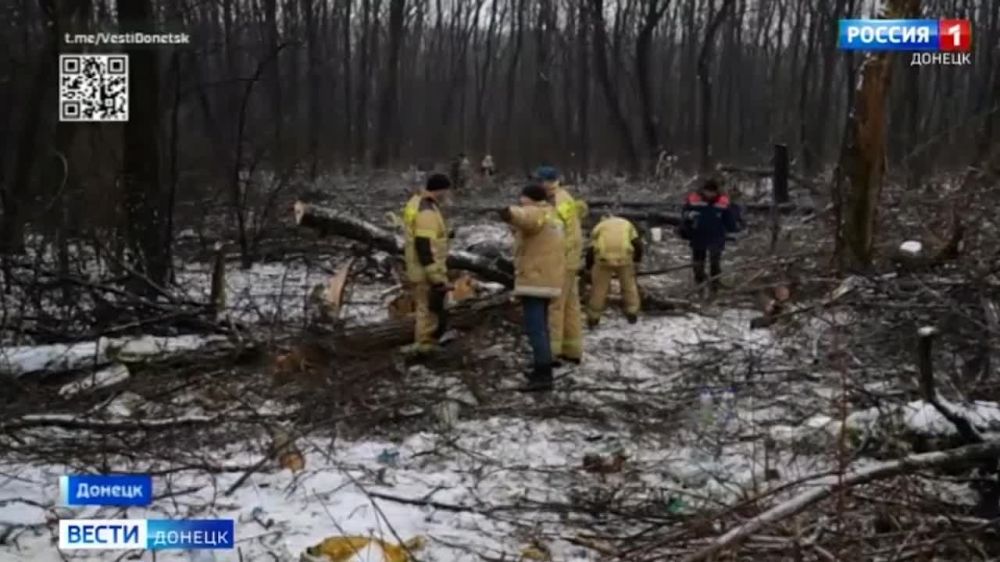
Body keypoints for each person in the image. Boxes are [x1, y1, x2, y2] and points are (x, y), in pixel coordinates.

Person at [498, 184, 565, 391]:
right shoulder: (551, 214)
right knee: (542, 327)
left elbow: (523, 216)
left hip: (536, 280)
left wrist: (507, 213)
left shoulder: (535, 213)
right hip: (548, 277)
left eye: (523, 199)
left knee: (535, 328)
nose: (520, 202)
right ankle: (541, 365)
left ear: (531, 199)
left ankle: (543, 375)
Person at [535, 165, 584, 365]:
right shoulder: (565, 196)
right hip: (572, 259)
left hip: (561, 260)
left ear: (548, 181)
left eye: (540, 181)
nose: (538, 184)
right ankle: (572, 350)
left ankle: (552, 352)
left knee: (555, 306)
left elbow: (554, 232)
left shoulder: (555, 201)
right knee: (570, 305)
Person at [401, 173, 453, 355]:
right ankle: (425, 345)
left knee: (425, 308)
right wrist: (435, 275)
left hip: (418, 267)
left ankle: (425, 343)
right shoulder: (427, 211)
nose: (448, 195)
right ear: (440, 190)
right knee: (430, 310)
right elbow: (424, 244)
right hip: (426, 269)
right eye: (447, 191)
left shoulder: (418, 202)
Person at [678, 178, 740, 295]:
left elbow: (729, 219)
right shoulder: (694, 200)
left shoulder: (722, 203)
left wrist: (733, 228)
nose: (710, 194)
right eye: (708, 191)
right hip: (698, 235)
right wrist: (688, 221)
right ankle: (699, 286)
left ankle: (714, 287)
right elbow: (684, 215)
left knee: (715, 262)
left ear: (716, 192)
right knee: (698, 264)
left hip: (716, 236)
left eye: (712, 192)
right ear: (703, 190)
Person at [585, 216, 643, 328]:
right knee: (629, 285)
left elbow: (591, 250)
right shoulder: (627, 224)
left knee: (599, 289)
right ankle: (632, 312)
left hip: (603, 259)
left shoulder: (599, 227)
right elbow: (637, 243)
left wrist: (588, 267)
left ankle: (594, 317)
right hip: (625, 258)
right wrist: (637, 261)